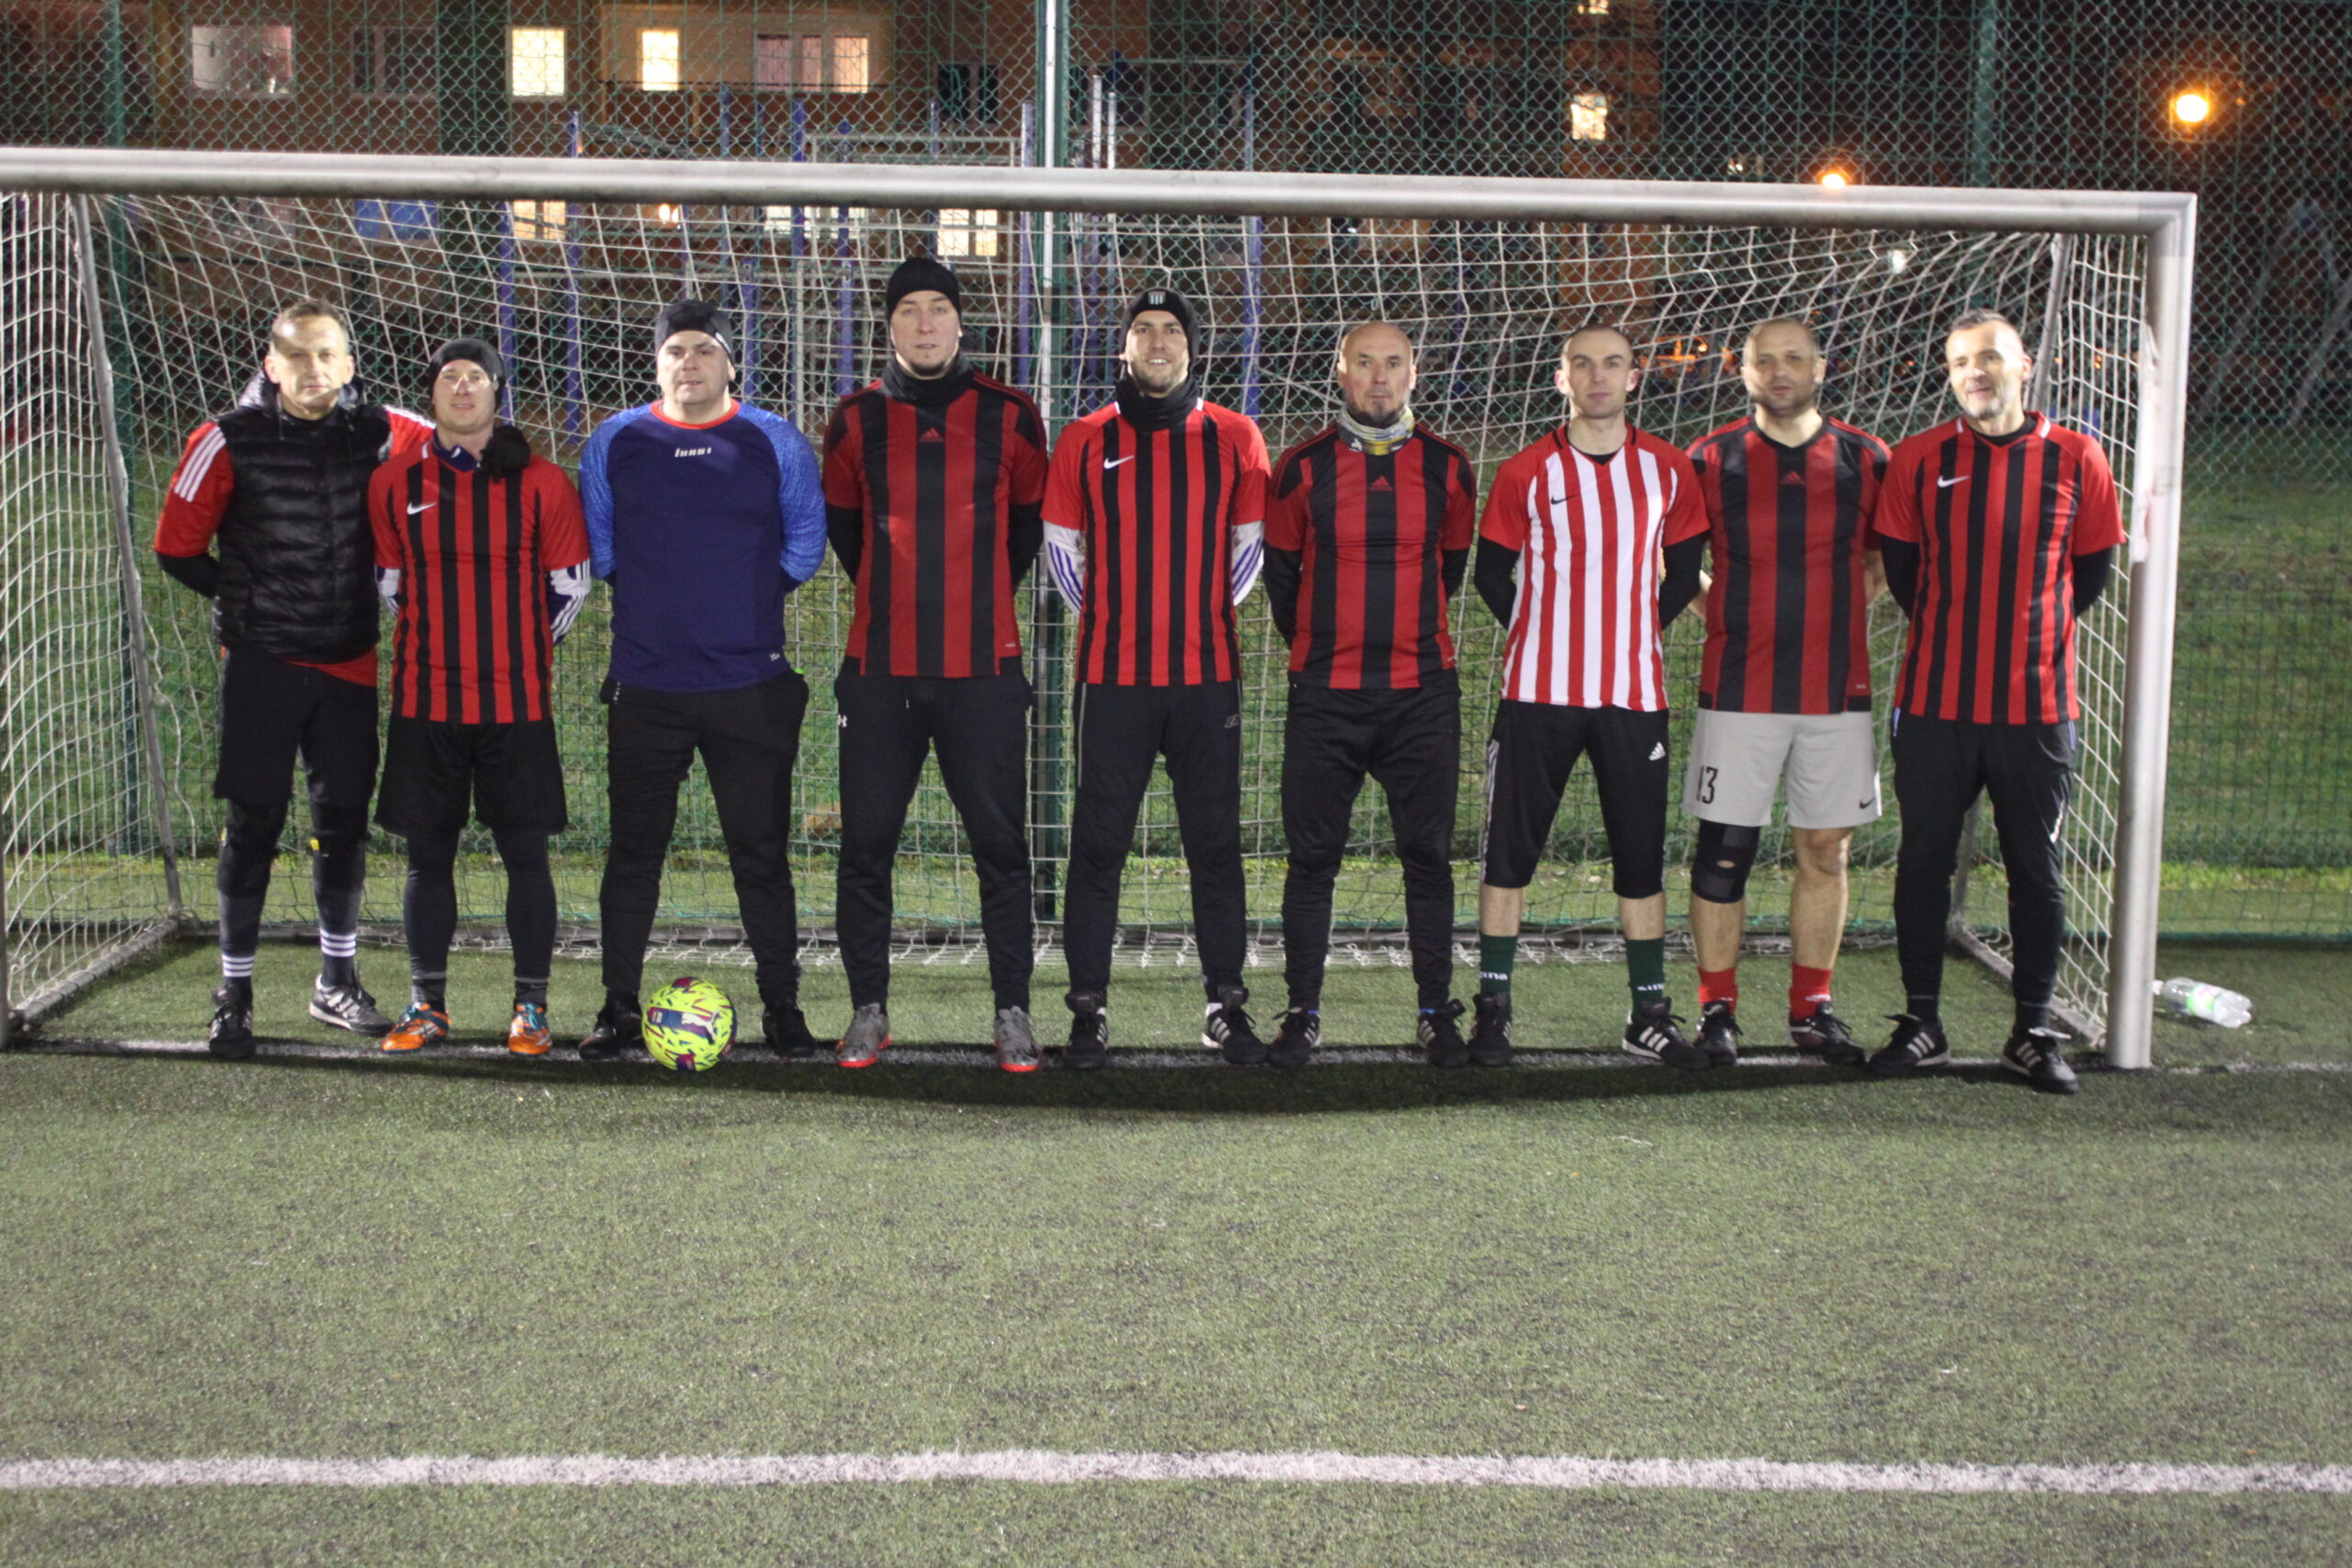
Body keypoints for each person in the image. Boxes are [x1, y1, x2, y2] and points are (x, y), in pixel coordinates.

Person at [153, 299, 431, 1057]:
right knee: (254, 823)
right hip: (263, 662)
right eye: (298, 356)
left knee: (343, 822)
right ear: (271, 366)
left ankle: (336, 981)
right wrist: (248, 598)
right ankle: (234, 991)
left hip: (348, 660)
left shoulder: (381, 430)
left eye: (327, 354)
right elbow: (176, 549)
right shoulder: (223, 439)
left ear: (349, 363)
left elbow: (455, 438)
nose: (314, 369)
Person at [1869, 309, 2123, 1095]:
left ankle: (2032, 1030)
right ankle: (1922, 1022)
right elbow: (1907, 579)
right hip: (1934, 705)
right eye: (1958, 363)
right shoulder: (1918, 459)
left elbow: (2089, 576)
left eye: (1988, 357)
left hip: (2037, 710)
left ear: (2024, 365)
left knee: (2035, 868)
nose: (1973, 372)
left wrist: (2021, 639)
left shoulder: (2078, 457)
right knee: (1923, 860)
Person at [575, 299, 829, 1061]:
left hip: (747, 686)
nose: (689, 363)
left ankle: (782, 1006)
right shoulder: (615, 441)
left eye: (704, 350)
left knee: (761, 854)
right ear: (657, 364)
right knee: (634, 853)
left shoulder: (774, 439)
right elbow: (603, 550)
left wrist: (735, 602)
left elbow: (805, 546)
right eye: (675, 351)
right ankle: (619, 1005)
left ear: (729, 361)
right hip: (647, 686)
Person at [822, 255, 1049, 1072]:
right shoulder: (853, 420)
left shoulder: (1012, 415)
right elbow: (847, 533)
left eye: (939, 309)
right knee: (866, 849)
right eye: (909, 310)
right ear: (889, 324)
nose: (925, 324)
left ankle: (1013, 1010)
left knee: (1001, 849)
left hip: (983, 670)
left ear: (960, 321)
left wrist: (971, 599)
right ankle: (868, 1010)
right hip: (880, 672)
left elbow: (1024, 532)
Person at [1043, 286, 1271, 1067]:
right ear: (1125, 346)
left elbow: (1248, 550)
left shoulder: (1235, 436)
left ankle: (1225, 1005)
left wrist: (1190, 613)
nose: (1159, 341)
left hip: (1207, 676)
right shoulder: (1084, 438)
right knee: (1098, 845)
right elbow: (1062, 552)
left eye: (1172, 329)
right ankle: (1088, 1009)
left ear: (1191, 346)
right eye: (1144, 329)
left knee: (1215, 846)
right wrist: (1121, 615)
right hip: (1112, 678)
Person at [1470, 323, 1708, 1067]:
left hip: (1633, 695)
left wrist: (1632, 629)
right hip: (1537, 692)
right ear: (1561, 377)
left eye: (1613, 364)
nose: (1598, 376)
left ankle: (1649, 1013)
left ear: (1634, 378)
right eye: (1583, 364)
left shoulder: (1669, 468)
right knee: (1507, 856)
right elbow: (1489, 573)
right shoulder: (1526, 470)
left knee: (1639, 857)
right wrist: (1543, 630)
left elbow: (1685, 568)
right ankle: (1493, 1007)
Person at [367, 338, 592, 1055]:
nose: (462, 388)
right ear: (431, 392)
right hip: (426, 701)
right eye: (449, 377)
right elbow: (391, 585)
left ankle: (531, 1007)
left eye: (477, 378)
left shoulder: (542, 482)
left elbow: (571, 585)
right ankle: (427, 1003)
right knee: (426, 858)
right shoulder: (394, 481)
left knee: (526, 856)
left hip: (515, 706)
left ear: (498, 393)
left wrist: (514, 649)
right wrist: (447, 644)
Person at [1263, 321, 1477, 1068]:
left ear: (1414, 373)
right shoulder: (1300, 468)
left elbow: (1450, 570)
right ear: (1340, 371)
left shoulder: (1450, 466)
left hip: (1422, 695)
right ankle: (1302, 1012)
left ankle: (1435, 1011)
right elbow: (1283, 582)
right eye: (1364, 362)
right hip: (1327, 696)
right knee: (1311, 858)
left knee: (1429, 856)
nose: (1379, 377)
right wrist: (1328, 648)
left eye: (1393, 363)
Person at [1681, 317, 1891, 1069]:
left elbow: (1884, 558)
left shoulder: (1867, 457)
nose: (1779, 371)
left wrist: (1840, 611)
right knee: (1723, 855)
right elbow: (1675, 559)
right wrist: (1724, 613)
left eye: (1793, 359)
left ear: (1820, 368)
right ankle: (1716, 1009)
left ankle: (1812, 1009)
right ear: (1742, 372)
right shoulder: (1711, 457)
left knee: (1826, 851)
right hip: (1738, 688)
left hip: (1837, 691)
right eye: (1764, 360)